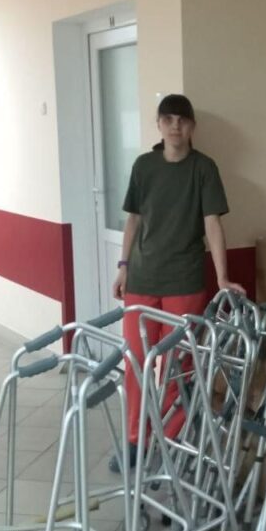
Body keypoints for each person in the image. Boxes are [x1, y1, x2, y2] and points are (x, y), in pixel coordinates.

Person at [111, 93, 245, 470]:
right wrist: (123, 266)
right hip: (142, 279)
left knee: (177, 366)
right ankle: (136, 441)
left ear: (191, 127)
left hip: (184, 282)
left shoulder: (204, 168)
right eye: (168, 119)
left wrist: (222, 277)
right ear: (158, 125)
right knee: (136, 362)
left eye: (182, 120)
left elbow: (212, 223)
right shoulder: (144, 166)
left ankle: (171, 442)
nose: (175, 126)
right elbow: (133, 220)